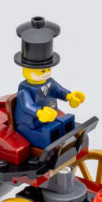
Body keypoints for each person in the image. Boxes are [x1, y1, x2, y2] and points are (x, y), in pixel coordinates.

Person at [13, 17, 85, 148]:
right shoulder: (25, 89)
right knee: (47, 135)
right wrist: (40, 112)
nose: (46, 72)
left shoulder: (49, 82)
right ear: (26, 70)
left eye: (48, 69)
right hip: (30, 125)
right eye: (42, 70)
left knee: (63, 126)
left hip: (50, 117)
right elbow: (27, 106)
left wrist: (69, 96)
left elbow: (58, 90)